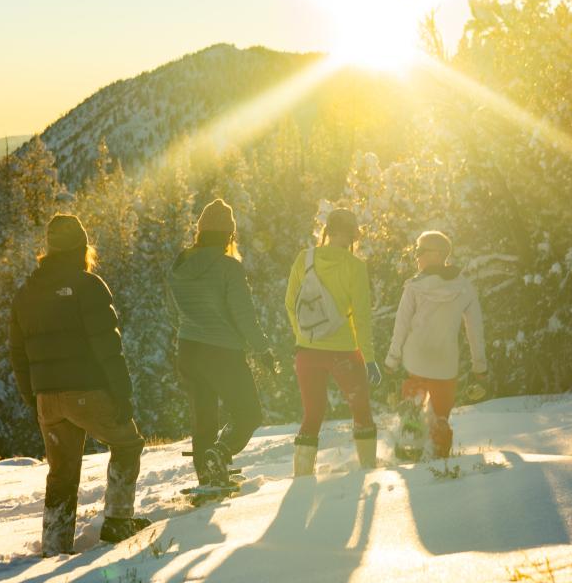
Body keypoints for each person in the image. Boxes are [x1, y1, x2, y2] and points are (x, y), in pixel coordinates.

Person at [10, 214, 149, 557]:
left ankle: (55, 545)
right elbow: (107, 346)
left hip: (47, 399)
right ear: (82, 248)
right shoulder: (88, 286)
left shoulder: (26, 293)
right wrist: (123, 393)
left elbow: (17, 353)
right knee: (128, 443)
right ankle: (117, 520)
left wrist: (33, 397)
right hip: (85, 391)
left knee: (62, 472)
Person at [168, 199, 275, 490]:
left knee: (203, 418)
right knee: (249, 413)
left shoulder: (179, 267)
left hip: (188, 351)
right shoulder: (230, 268)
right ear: (230, 233)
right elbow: (244, 315)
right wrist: (262, 350)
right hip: (222, 352)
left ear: (200, 231)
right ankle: (221, 453)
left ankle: (209, 474)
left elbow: (175, 310)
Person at [284, 207, 380, 476]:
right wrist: (369, 359)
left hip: (307, 352)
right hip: (344, 352)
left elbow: (290, 303)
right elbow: (361, 317)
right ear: (352, 235)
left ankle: (302, 478)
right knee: (360, 409)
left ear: (328, 230)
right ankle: (368, 470)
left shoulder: (304, 259)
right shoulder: (355, 266)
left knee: (312, 413)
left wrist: (303, 335)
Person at [383, 230, 488, 460]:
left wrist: (391, 360)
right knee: (440, 417)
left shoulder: (413, 286)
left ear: (439, 254)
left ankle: (408, 445)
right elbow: (475, 331)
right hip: (445, 364)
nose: (416, 257)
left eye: (420, 251)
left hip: (416, 360)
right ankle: (440, 462)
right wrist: (479, 367)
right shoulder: (465, 288)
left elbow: (400, 327)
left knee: (413, 406)